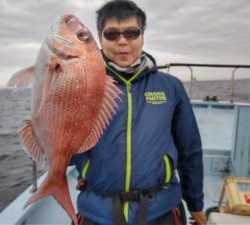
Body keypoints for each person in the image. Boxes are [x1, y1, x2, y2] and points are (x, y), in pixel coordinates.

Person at [70, 1, 207, 224]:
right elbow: (64, 152)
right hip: (97, 212)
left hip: (160, 210)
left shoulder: (170, 87)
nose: (122, 41)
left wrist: (196, 203)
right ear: (100, 38)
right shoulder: (81, 87)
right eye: (112, 34)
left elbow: (189, 149)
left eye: (132, 33)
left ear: (142, 35)